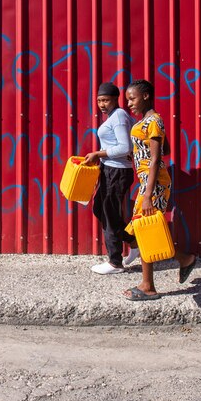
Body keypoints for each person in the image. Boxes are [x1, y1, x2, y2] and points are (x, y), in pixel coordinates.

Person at [122, 79, 196, 300]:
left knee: (144, 230)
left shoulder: (154, 121)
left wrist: (147, 195)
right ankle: (184, 259)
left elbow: (155, 160)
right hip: (147, 181)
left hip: (153, 184)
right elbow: (166, 148)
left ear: (145, 96)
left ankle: (148, 286)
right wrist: (137, 154)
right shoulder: (146, 122)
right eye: (127, 100)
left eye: (132, 98)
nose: (129, 104)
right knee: (135, 232)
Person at [83, 82, 135, 274]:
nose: (102, 104)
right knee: (101, 208)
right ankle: (132, 241)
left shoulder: (119, 116)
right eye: (99, 101)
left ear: (115, 99)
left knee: (109, 214)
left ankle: (115, 262)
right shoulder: (113, 116)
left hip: (118, 172)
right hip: (109, 170)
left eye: (105, 100)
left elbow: (125, 147)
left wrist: (98, 153)